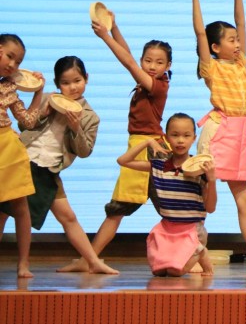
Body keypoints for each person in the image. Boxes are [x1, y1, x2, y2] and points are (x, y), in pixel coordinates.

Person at [59, 16, 172, 272]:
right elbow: (130, 56)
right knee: (120, 209)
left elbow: (128, 62)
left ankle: (90, 259)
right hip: (143, 146)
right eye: (148, 60)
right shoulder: (147, 81)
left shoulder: (157, 86)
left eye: (159, 62)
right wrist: (115, 27)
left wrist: (105, 36)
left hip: (149, 148)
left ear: (168, 66)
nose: (152, 66)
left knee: (161, 206)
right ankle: (90, 259)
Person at [2, 57, 118, 275]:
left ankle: (92, 262)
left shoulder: (90, 116)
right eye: (65, 82)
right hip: (23, 159)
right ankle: (23, 264)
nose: (72, 87)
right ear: (57, 83)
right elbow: (23, 124)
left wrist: (76, 128)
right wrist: (42, 112)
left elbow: (84, 151)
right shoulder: (47, 98)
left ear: (86, 79)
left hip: (49, 169)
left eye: (77, 80)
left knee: (68, 217)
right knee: (4, 212)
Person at [191, 0, 246, 258]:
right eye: (231, 40)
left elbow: (241, 23)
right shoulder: (211, 67)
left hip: (240, 133)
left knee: (245, 202)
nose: (238, 43)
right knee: (201, 197)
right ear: (215, 47)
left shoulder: (240, 62)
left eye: (237, 40)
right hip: (219, 130)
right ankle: (192, 253)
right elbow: (199, 32)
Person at [117, 113, 217, 277]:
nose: (180, 140)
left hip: (191, 229)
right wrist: (148, 142)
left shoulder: (199, 169)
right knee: (160, 271)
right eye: (175, 135)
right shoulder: (158, 166)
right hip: (167, 228)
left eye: (186, 136)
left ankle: (201, 252)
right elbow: (123, 161)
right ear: (166, 137)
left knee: (176, 272)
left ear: (194, 138)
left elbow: (211, 208)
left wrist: (212, 180)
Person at [0, 33, 44, 278]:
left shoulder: (9, 87)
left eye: (17, 62)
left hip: (8, 149)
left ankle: (23, 263)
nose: (12, 64)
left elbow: (27, 121)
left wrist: (38, 91)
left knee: (21, 207)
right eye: (9, 56)